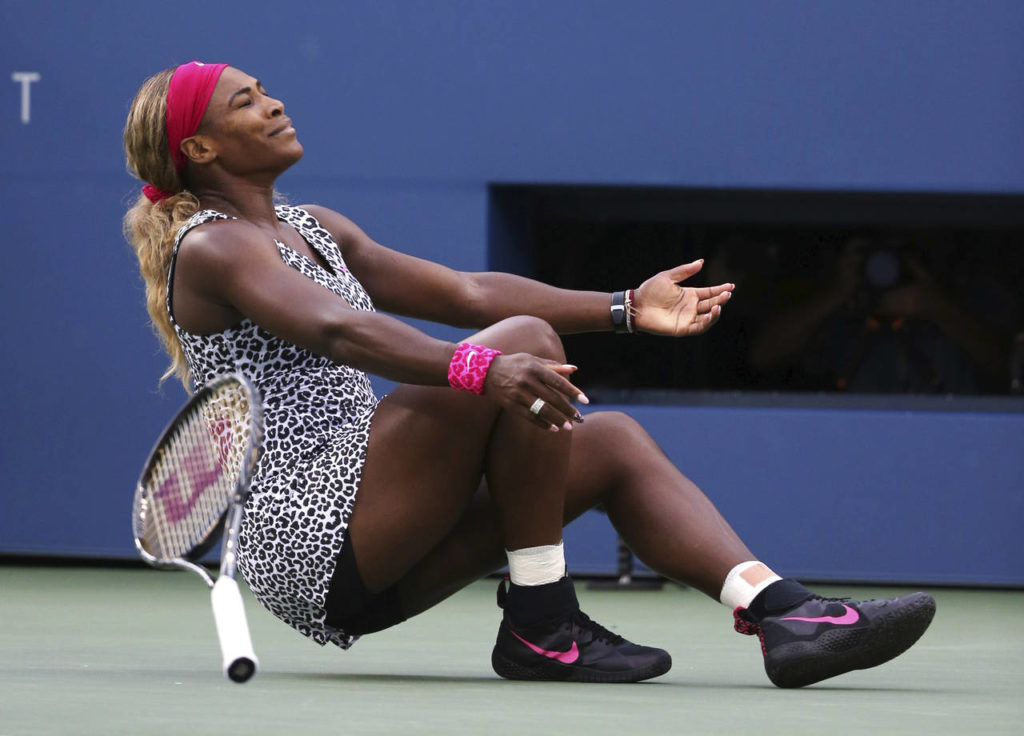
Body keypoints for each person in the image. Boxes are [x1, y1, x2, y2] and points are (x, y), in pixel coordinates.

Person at [122, 61, 935, 688]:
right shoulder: (215, 245)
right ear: (201, 149)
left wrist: (625, 307)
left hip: (381, 536)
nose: (273, 104)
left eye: (266, 91)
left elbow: (467, 293)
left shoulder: (315, 227)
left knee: (611, 443)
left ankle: (786, 616)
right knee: (521, 344)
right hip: (311, 536)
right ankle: (544, 621)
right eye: (246, 102)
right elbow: (340, 330)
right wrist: (480, 367)